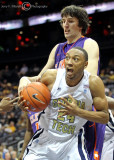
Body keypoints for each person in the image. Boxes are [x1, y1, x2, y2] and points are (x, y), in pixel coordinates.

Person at [18, 5, 114, 160]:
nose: (66, 25)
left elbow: (88, 77)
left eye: (70, 21)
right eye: (63, 21)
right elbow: (39, 78)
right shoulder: (57, 49)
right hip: (60, 114)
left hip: (84, 112)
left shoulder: (89, 43)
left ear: (81, 25)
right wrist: (24, 81)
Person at [18, 47, 109, 160]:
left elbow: (104, 117)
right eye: (67, 58)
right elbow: (30, 86)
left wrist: (77, 111)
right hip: (45, 139)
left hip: (72, 142)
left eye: (75, 59)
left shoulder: (93, 83)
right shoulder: (51, 77)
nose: (69, 62)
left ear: (85, 64)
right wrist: (26, 103)